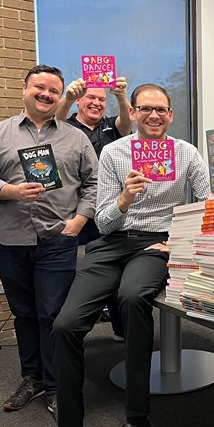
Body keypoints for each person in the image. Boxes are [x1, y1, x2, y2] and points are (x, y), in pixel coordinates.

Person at [47, 83, 211, 427]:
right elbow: (102, 221)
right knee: (65, 325)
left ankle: (137, 422)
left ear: (171, 115)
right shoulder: (114, 153)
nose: (154, 116)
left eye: (161, 110)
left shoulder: (187, 153)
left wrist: (175, 241)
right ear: (133, 113)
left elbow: (208, 209)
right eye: (146, 110)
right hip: (114, 241)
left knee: (133, 297)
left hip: (158, 243)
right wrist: (124, 198)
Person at [0, 64, 97, 421]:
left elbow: (94, 183)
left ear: (61, 97)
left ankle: (57, 387)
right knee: (24, 312)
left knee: (52, 315)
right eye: (39, 88)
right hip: (11, 238)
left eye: (53, 91)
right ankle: (33, 378)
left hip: (59, 237)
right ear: (24, 89)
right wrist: (8, 190)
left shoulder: (75, 137)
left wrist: (80, 220)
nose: (46, 95)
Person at [56, 76, 133, 341]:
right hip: (74, 211)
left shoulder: (111, 126)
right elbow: (55, 121)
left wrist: (121, 97)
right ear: (79, 100)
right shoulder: (65, 127)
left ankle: (121, 329)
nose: (97, 103)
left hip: (109, 209)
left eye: (101, 99)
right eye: (91, 97)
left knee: (113, 268)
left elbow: (126, 124)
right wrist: (65, 97)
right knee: (67, 270)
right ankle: (70, 329)